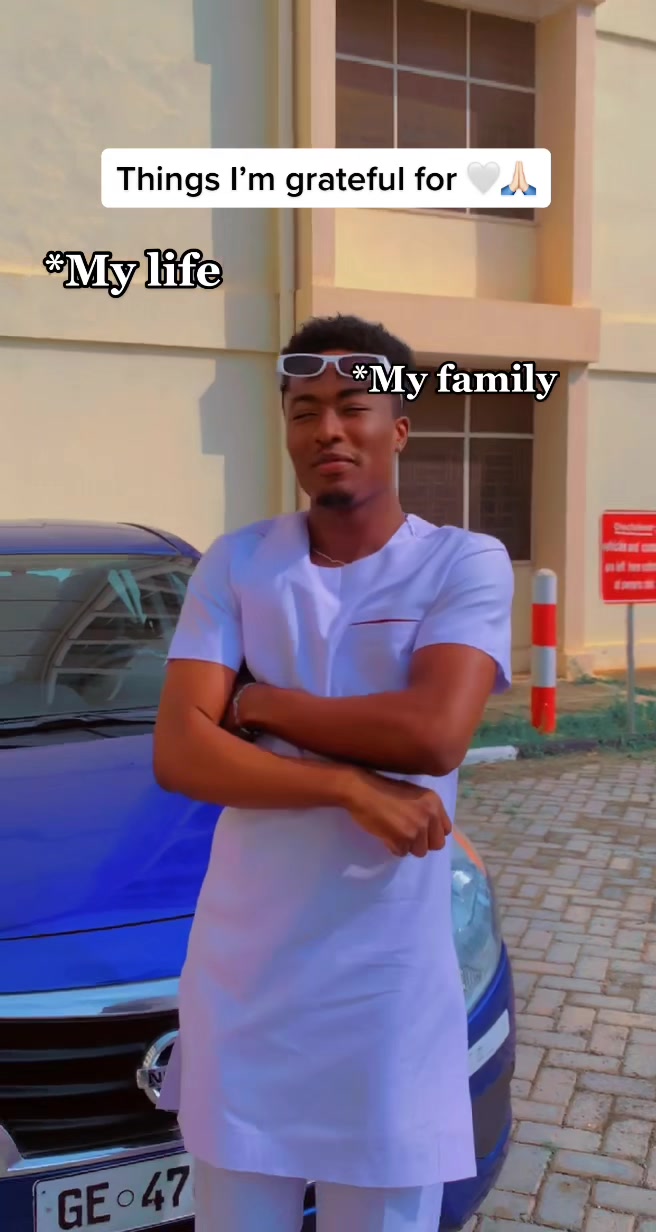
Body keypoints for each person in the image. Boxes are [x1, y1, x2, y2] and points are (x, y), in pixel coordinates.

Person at [153, 313, 514, 1232]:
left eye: (353, 406)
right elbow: (181, 751)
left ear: (400, 426)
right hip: (248, 973)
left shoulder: (459, 561)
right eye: (304, 410)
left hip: (384, 975)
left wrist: (262, 705)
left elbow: (434, 733)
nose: (328, 430)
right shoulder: (240, 562)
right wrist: (349, 784)